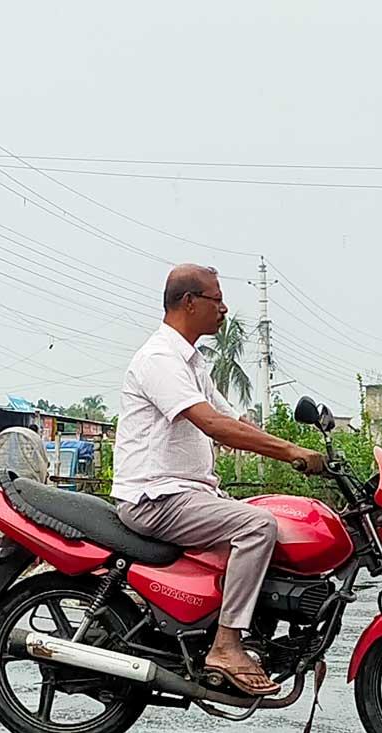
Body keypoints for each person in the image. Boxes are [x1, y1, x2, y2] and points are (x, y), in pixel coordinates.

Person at [114, 263, 328, 697]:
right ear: (189, 302)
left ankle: (235, 631)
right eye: (217, 299)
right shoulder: (160, 359)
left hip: (186, 494)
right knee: (257, 526)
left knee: (270, 515)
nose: (224, 308)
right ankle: (227, 644)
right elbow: (213, 424)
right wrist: (290, 453)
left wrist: (293, 441)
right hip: (156, 498)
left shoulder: (191, 363)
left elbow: (232, 419)